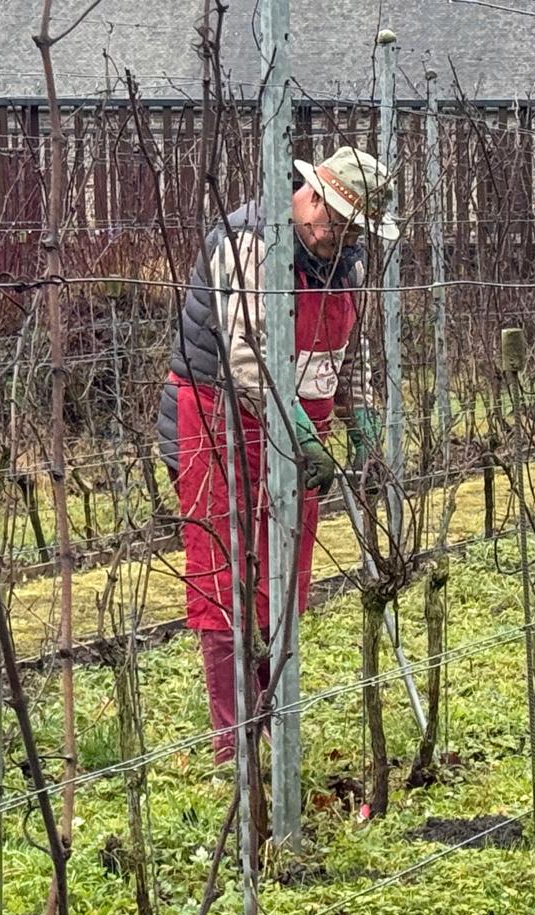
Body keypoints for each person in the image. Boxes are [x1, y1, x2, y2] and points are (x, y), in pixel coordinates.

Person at [156, 147, 397, 765]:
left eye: (356, 233)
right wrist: (298, 431)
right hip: (221, 418)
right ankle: (233, 740)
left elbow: (346, 355)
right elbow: (245, 360)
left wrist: (360, 417)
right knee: (225, 571)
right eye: (338, 224)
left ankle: (270, 715)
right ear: (311, 196)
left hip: (302, 430)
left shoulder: (346, 265)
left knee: (284, 572)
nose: (343, 240)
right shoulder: (249, 243)